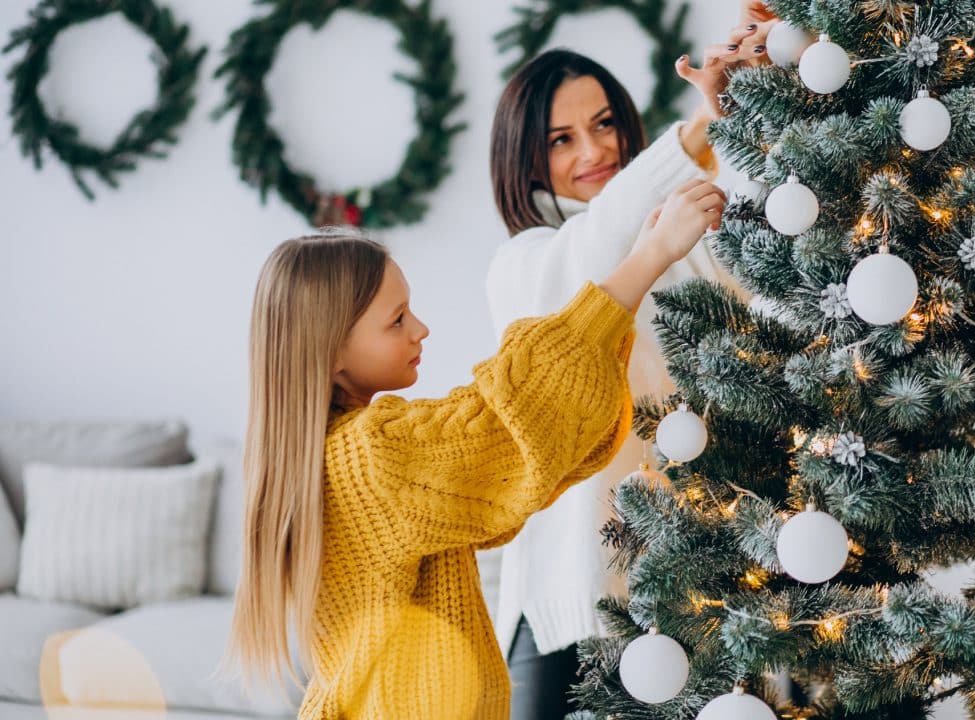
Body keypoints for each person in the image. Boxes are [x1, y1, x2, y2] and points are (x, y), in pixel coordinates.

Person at [224, 178, 725, 719]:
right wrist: (650, 257)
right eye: (396, 320)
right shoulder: (374, 457)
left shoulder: (324, 456)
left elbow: (510, 463)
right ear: (331, 350)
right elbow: (510, 417)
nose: (421, 329)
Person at [484, 10, 778, 717]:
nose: (595, 148)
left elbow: (765, 280)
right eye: (561, 139)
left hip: (694, 579)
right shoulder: (524, 263)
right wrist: (701, 125)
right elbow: (600, 246)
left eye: (606, 122)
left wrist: (755, 100)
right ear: (522, 158)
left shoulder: (683, 236)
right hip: (573, 596)